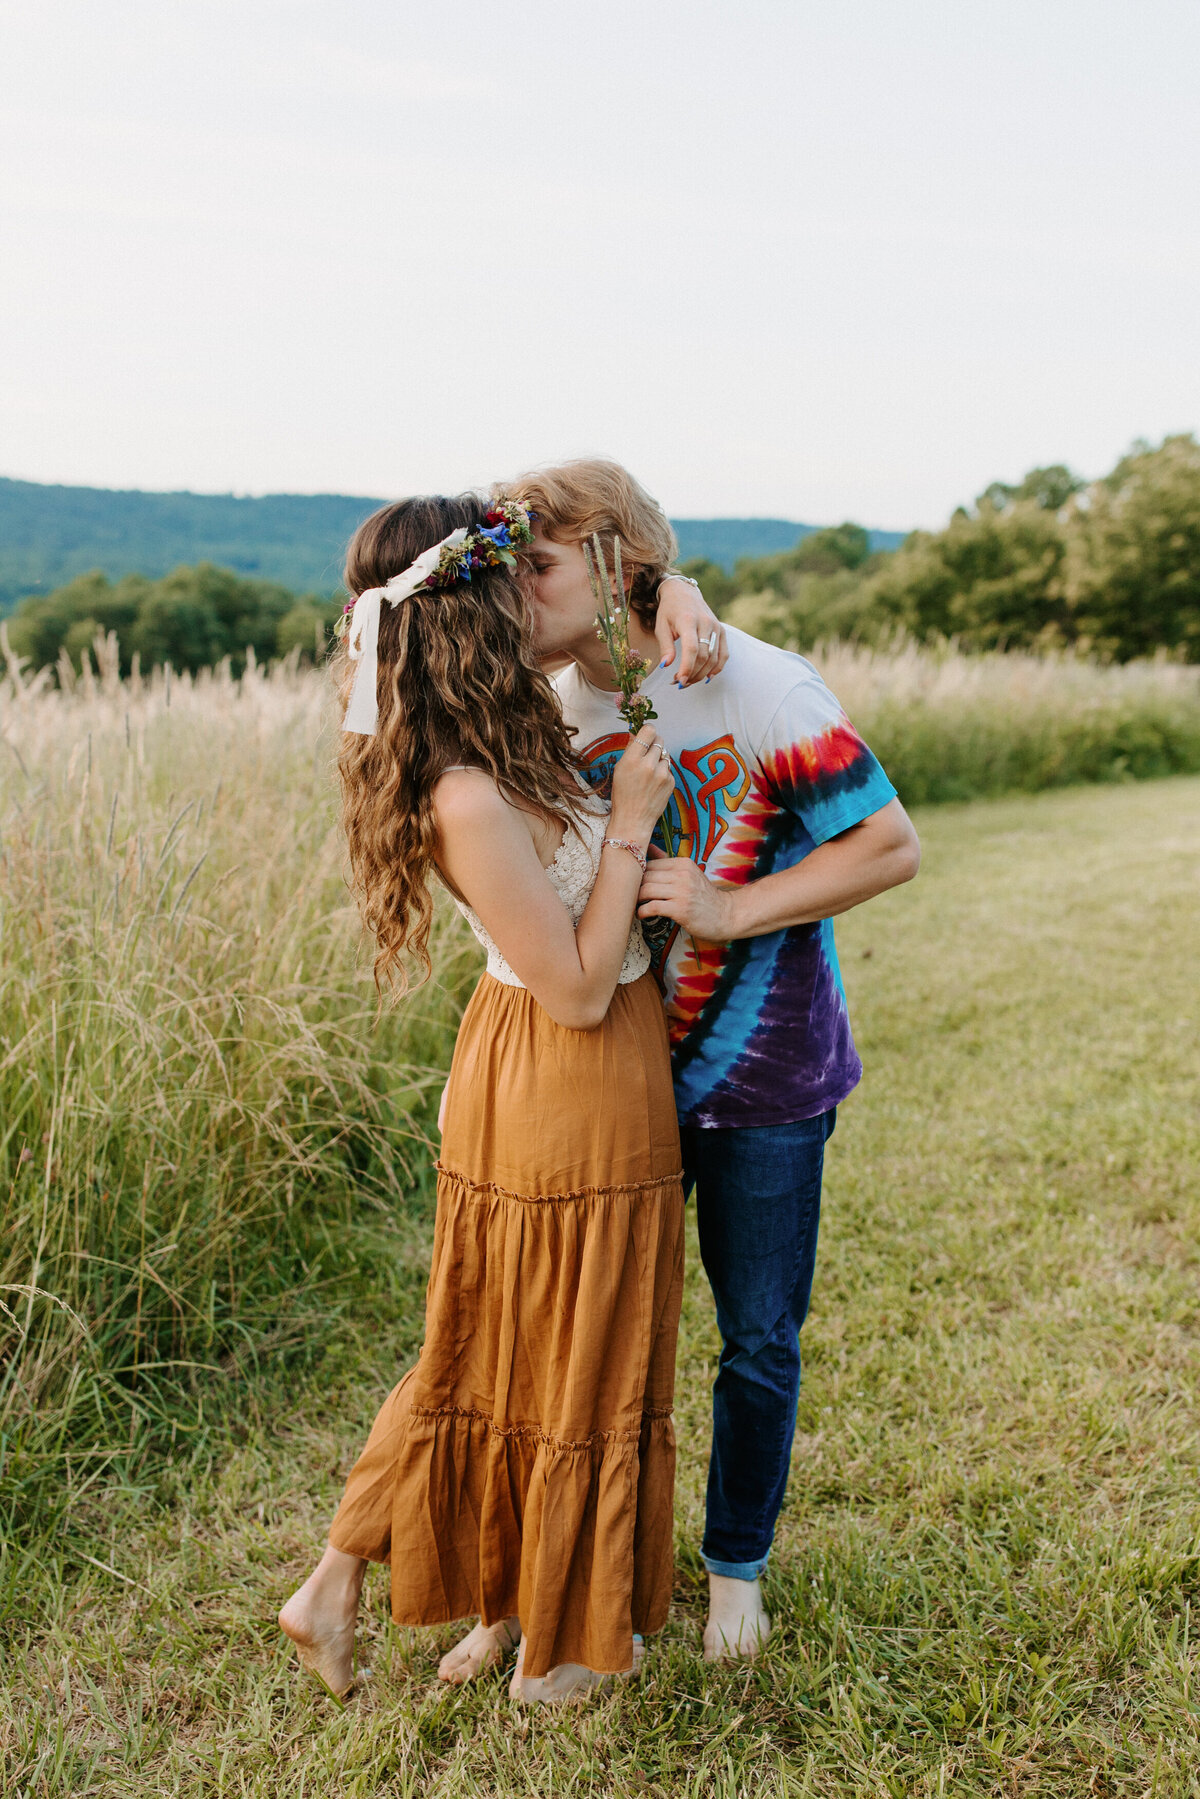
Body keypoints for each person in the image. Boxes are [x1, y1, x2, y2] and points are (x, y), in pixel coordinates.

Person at [279, 492, 724, 1704]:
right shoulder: (464, 788)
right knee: (559, 1344)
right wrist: (631, 824)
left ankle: (446, 1596)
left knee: (502, 1340)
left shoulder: (507, 725)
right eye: (508, 577)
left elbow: (620, 626)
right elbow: (579, 986)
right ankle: (558, 1640)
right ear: (464, 615)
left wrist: (669, 588)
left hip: (550, 1063)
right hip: (571, 1061)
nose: (533, 590)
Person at [501, 460, 921, 1662]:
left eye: (539, 566)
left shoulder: (758, 682)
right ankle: (586, 1569)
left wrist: (735, 910)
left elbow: (888, 843)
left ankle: (736, 1566)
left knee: (758, 1334)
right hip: (615, 1075)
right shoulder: (549, 708)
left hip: (766, 1080)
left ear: (615, 563)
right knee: (603, 1332)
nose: (518, 594)